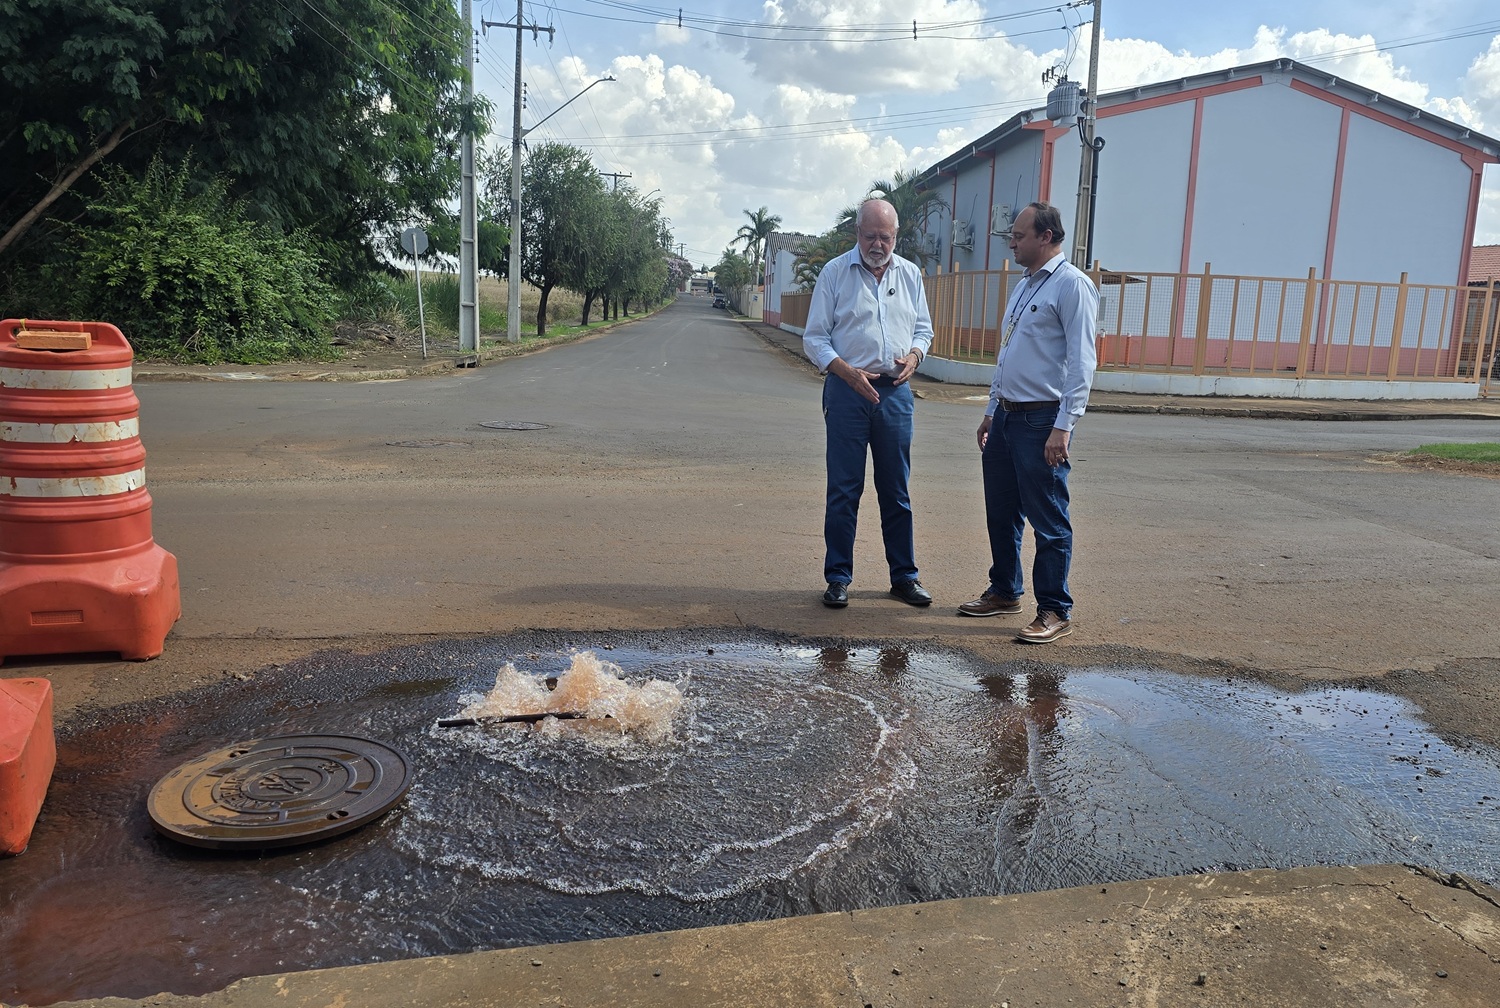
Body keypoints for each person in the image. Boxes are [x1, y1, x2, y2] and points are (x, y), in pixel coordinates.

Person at [960, 201, 1098, 643]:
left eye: (1019, 236)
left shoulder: (1072, 287)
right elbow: (1007, 356)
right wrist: (990, 410)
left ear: (1046, 236)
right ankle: (1005, 591)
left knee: (1048, 517)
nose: (1012, 242)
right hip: (1005, 417)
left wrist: (1064, 426)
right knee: (1001, 512)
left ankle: (1055, 609)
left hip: (1042, 419)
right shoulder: (1024, 285)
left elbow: (1081, 363)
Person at [803, 198, 935, 609]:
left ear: (896, 236)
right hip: (847, 391)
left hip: (895, 393)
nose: (878, 244)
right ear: (856, 233)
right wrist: (846, 371)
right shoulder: (835, 274)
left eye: (886, 236)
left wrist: (914, 356)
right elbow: (814, 338)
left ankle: (904, 577)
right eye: (871, 235)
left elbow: (923, 329)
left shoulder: (910, 274)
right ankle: (839, 577)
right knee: (844, 489)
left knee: (896, 490)